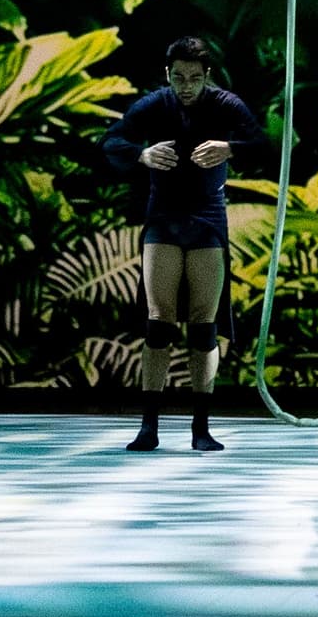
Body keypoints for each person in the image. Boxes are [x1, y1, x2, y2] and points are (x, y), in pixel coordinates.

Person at [101, 37, 262, 453]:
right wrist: (141, 156)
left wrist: (231, 148)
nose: (185, 86)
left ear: (207, 76)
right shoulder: (155, 104)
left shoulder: (225, 104)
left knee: (203, 325)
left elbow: (264, 144)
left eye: (193, 78)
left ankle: (201, 427)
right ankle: (149, 426)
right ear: (167, 75)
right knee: (158, 323)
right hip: (163, 221)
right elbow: (112, 141)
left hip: (207, 221)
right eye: (178, 78)